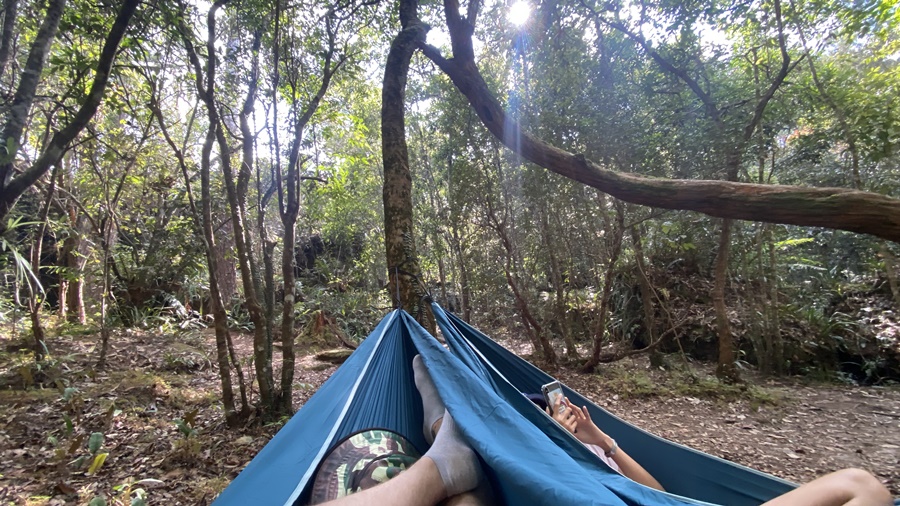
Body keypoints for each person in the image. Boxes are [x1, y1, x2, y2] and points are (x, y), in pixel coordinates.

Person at [321, 358, 892, 506]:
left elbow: (663, 498)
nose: (566, 415)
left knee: (863, 485)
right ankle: (449, 435)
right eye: (555, 417)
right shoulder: (542, 462)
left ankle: (446, 439)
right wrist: (563, 445)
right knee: (863, 485)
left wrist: (604, 442)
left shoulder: (590, 449)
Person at [527, 392, 664, 491]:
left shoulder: (590, 444)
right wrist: (558, 444)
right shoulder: (536, 465)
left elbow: (659, 495)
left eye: (546, 413)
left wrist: (603, 441)